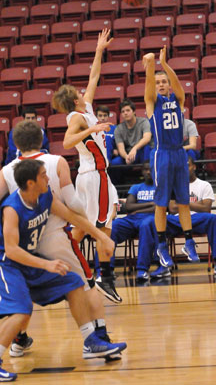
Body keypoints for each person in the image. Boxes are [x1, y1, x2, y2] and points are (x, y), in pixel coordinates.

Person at [0, 121, 123, 360]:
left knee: (61, 288)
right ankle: (100, 337)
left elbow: (61, 209)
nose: (46, 179)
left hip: (30, 246)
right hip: (37, 244)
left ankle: (22, 340)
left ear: (16, 144)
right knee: (83, 286)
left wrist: (98, 234)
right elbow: (74, 206)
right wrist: (94, 227)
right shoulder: (54, 164)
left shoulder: (12, 175)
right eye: (43, 177)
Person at [52, 29, 122, 303]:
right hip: (93, 177)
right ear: (73, 100)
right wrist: (90, 129)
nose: (84, 91)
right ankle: (104, 276)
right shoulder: (76, 117)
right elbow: (68, 142)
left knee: (88, 227)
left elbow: (94, 75)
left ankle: (60, 264)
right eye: (80, 92)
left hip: (98, 176)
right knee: (99, 227)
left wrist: (99, 49)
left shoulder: (88, 108)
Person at [143, 46, 198, 270]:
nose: (162, 84)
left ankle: (189, 241)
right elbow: (148, 87)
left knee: (184, 201)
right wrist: (151, 65)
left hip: (179, 152)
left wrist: (164, 65)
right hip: (162, 153)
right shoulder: (151, 103)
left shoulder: (179, 100)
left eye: (163, 81)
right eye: (158, 82)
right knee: (162, 203)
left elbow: (178, 85)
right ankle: (161, 245)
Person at [152, 157, 216, 277]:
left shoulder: (204, 185)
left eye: (188, 166)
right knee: (156, 222)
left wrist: (183, 203)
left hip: (197, 220)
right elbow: (172, 208)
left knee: (213, 218)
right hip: (177, 221)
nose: (185, 169)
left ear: (194, 167)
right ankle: (162, 265)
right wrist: (196, 204)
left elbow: (206, 208)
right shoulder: (174, 186)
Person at [110, 162, 157, 281]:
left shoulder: (160, 187)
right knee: (113, 226)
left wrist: (140, 207)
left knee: (146, 225)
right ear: (142, 172)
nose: (148, 172)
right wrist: (151, 203)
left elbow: (160, 207)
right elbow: (128, 207)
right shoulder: (136, 187)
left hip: (151, 218)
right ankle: (105, 270)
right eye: (145, 170)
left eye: (150, 169)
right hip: (132, 218)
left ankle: (142, 270)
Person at [112, 98, 152, 166]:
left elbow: (147, 138)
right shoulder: (118, 129)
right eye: (123, 111)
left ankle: (147, 175)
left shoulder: (144, 122)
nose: (125, 113)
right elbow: (120, 148)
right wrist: (126, 157)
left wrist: (135, 148)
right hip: (128, 153)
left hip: (140, 151)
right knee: (115, 162)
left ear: (134, 112)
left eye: (128, 110)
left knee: (147, 148)